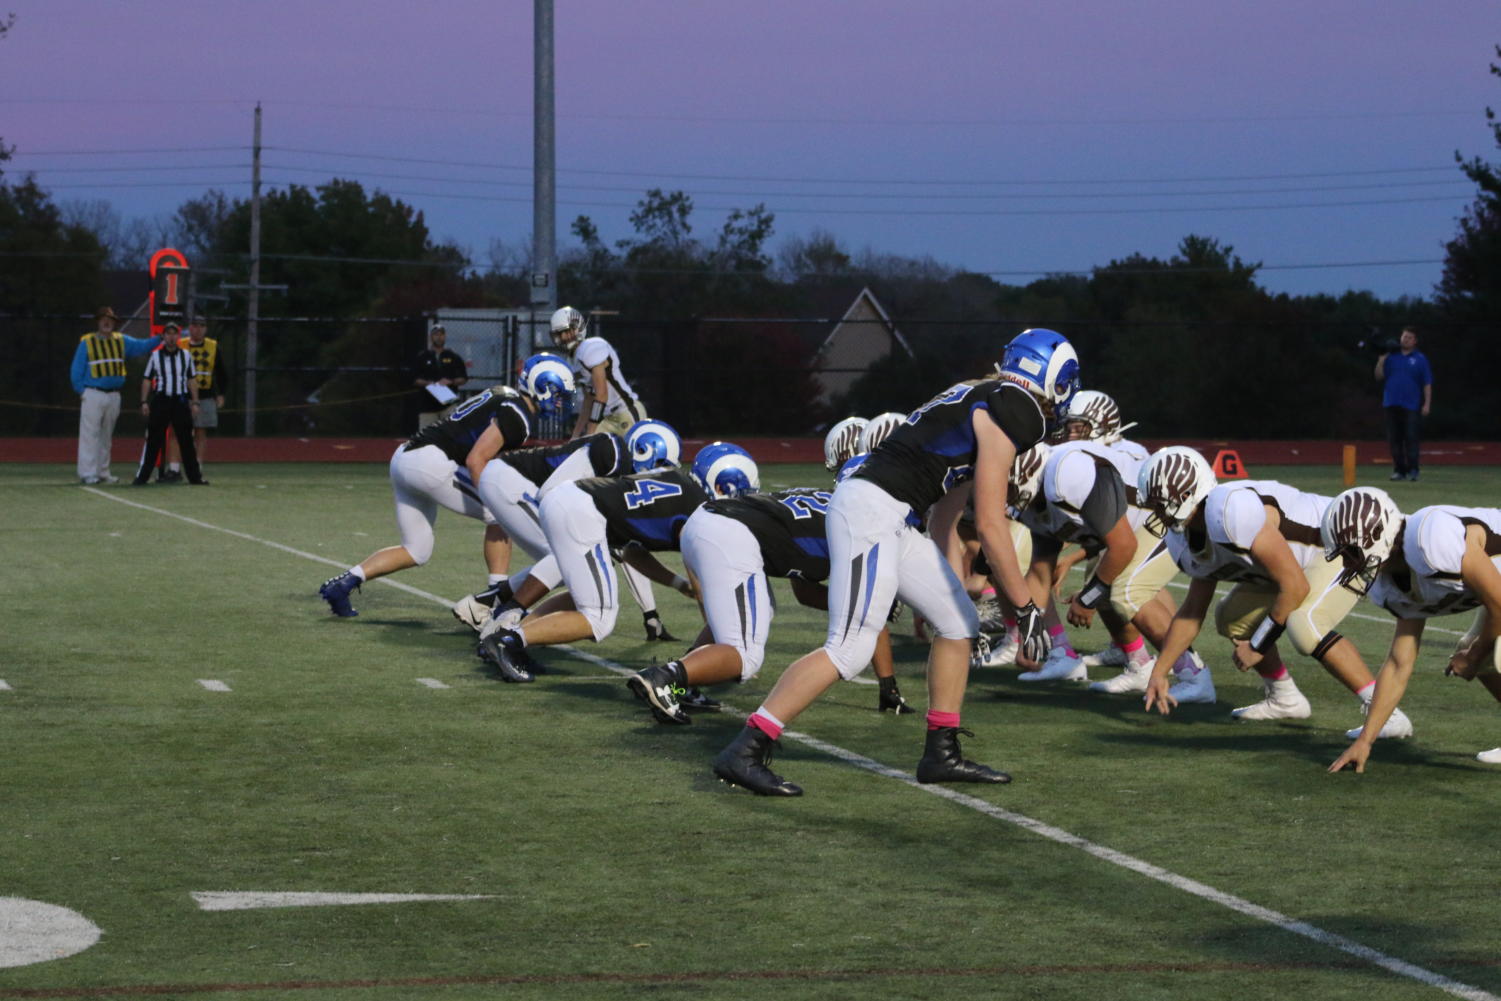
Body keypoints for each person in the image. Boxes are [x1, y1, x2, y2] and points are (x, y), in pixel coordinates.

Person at [710, 329, 1079, 797]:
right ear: (1055, 378)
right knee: (849, 648)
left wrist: (952, 582)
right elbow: (989, 523)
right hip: (874, 508)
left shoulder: (981, 393)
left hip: (894, 513)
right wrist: (1025, 608)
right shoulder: (1017, 407)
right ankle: (747, 747)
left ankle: (940, 753)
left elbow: (946, 510)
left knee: (958, 622)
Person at [1138, 449, 1414, 737]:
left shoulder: (1229, 511)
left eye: (1160, 503)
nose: (1156, 513)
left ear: (1185, 495)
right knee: (1231, 618)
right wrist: (1161, 671)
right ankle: (1285, 698)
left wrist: (1257, 646)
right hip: (1287, 568)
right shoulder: (1183, 537)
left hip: (1338, 546)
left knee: (1305, 624)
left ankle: (1385, 711)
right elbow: (1192, 611)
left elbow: (1295, 586)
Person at [318, 354, 571, 617]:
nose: (561, 400)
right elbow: (476, 460)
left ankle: (343, 583)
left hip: (405, 457)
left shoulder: (504, 395)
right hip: (431, 461)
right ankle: (494, 602)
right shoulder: (518, 416)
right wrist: (495, 499)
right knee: (498, 512)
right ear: (542, 385)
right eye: (559, 392)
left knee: (416, 550)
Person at [476, 421, 705, 683]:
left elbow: (630, 553)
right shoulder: (614, 452)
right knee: (600, 617)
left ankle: (511, 636)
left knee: (583, 594)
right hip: (565, 504)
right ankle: (506, 633)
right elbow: (702, 589)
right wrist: (717, 647)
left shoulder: (644, 490)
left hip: (571, 505)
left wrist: (676, 585)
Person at [1323, 490, 1501, 773]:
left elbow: (1500, 604)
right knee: (1483, 653)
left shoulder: (1431, 539)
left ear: (1377, 534)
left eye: (1350, 553)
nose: (1348, 565)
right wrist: (1366, 741)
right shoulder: (1393, 586)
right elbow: (1398, 664)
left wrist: (1473, 657)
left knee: (1487, 652)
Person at [70, 306, 159, 484]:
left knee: (106, 435)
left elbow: (142, 346)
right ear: (98, 322)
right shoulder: (87, 342)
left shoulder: (121, 340)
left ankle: (102, 472)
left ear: (114, 323)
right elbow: (76, 369)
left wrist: (160, 338)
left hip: (113, 395)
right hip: (93, 392)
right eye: (103, 319)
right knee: (90, 434)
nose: (106, 322)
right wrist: (82, 391)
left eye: (109, 320)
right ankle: (87, 473)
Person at [132, 322, 208, 486]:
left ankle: (195, 477)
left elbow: (191, 380)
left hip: (180, 401)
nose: (171, 337)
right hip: (161, 400)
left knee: (186, 440)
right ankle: (142, 477)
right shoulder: (155, 356)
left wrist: (195, 402)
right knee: (154, 440)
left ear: (178, 336)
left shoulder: (186, 356)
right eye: (168, 334)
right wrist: (144, 401)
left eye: (174, 334)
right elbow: (147, 379)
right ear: (164, 336)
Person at [551, 306, 645, 437]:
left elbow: (601, 395)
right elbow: (589, 400)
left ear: (578, 328)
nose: (564, 337)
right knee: (587, 452)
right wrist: (575, 435)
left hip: (626, 412)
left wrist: (590, 431)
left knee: (632, 455)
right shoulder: (573, 360)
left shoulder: (591, 347)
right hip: (608, 418)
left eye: (567, 331)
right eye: (559, 333)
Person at [161, 314, 230, 482]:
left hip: (205, 395)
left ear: (205, 329)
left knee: (200, 432)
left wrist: (221, 394)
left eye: (201, 326)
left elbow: (222, 372)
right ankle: (174, 469)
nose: (197, 329)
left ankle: (196, 468)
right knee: (177, 432)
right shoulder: (181, 345)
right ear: (189, 328)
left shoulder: (213, 347)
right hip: (182, 395)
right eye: (194, 325)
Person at [1374, 327, 1432, 482]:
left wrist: (1427, 403)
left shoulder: (1420, 359)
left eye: (1409, 337)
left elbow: (1427, 383)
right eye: (1403, 336)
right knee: (1394, 439)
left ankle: (1413, 470)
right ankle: (1399, 470)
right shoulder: (1391, 357)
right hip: (1391, 403)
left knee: (1411, 438)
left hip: (1411, 405)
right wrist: (1381, 360)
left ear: (1414, 341)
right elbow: (1378, 376)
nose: (1405, 340)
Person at [413, 322, 469, 430]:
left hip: (448, 403)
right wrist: (430, 384)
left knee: (451, 433)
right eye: (436, 335)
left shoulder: (453, 357)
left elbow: (463, 378)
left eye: (441, 334)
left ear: (445, 336)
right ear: (431, 337)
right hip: (427, 404)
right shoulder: (422, 357)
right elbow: (415, 379)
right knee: (426, 436)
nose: (439, 337)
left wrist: (451, 381)